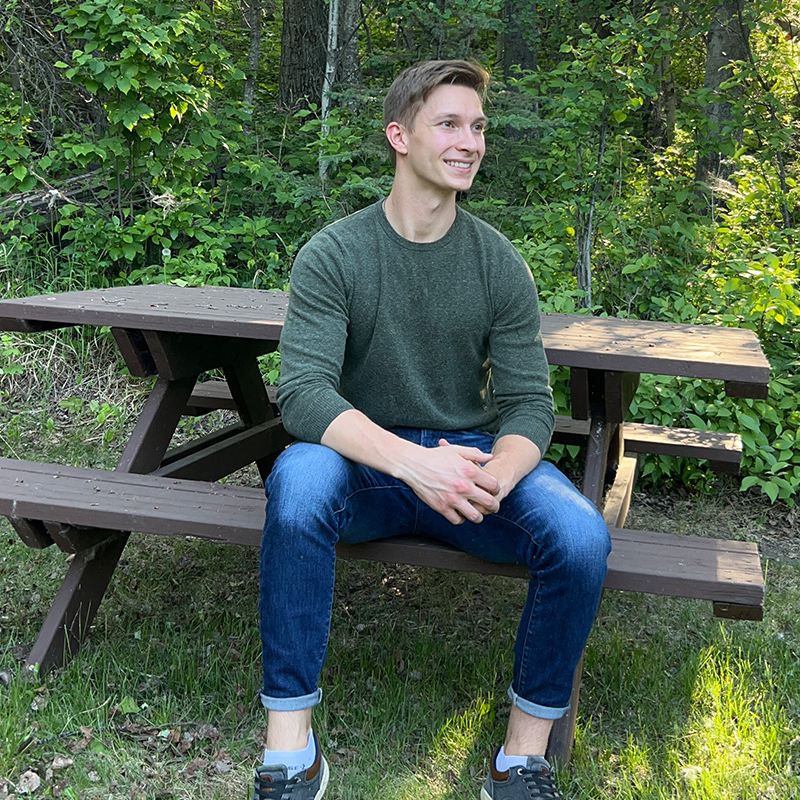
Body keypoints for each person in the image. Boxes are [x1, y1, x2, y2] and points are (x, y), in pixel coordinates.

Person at [253, 59, 612, 800]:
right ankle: (291, 755)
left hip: (472, 469)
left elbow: (527, 407)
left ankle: (521, 760)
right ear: (399, 136)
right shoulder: (334, 254)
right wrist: (412, 466)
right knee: (296, 480)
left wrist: (498, 474)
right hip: (365, 468)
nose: (470, 141)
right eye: (449, 123)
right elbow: (304, 396)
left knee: (581, 536)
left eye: (478, 126)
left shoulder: (499, 264)